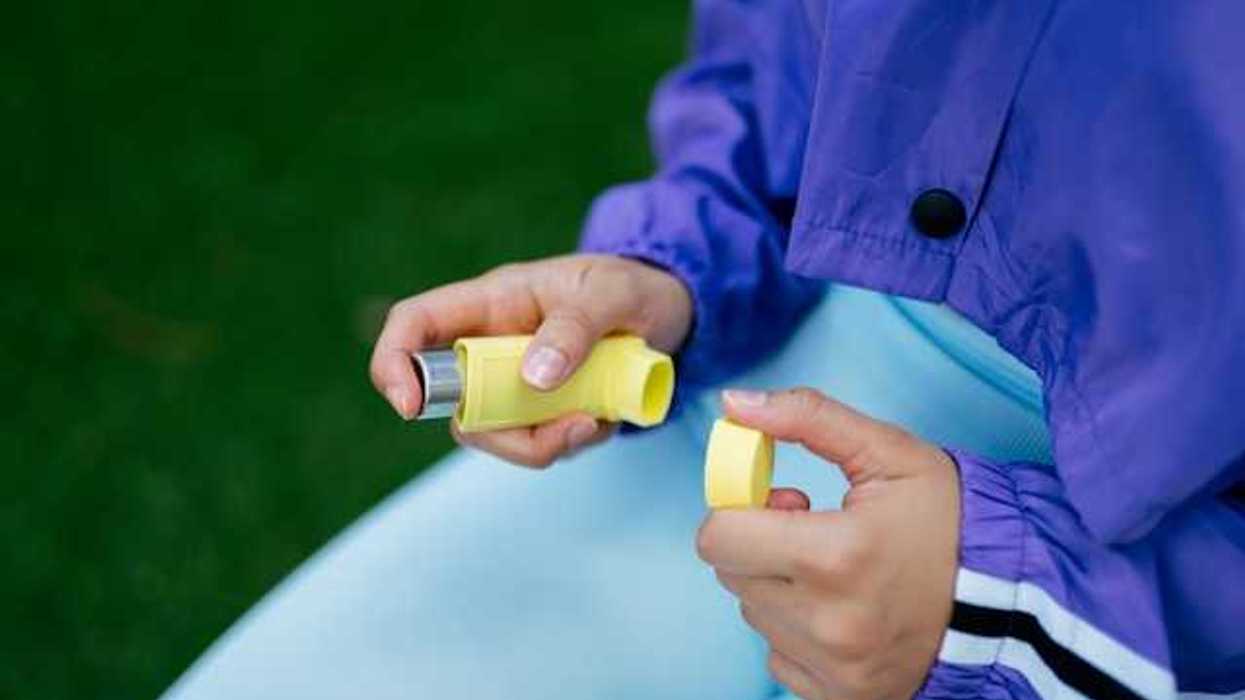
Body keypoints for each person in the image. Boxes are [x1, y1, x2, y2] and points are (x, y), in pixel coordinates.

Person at [164, 2, 1245, 698]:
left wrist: (1009, 604)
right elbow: (784, 62)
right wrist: (679, 264)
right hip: (780, 395)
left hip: (1144, 616)